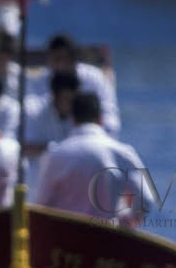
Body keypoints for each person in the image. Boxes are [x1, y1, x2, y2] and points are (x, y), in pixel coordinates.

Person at [31, 92, 155, 228]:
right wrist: (127, 221)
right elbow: (146, 200)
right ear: (100, 118)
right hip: (106, 235)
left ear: (73, 119)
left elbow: (41, 205)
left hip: (64, 237)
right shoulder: (121, 153)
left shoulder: (55, 154)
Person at [45, 35, 121, 135]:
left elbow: (111, 122)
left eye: (64, 58)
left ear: (73, 59)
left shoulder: (94, 79)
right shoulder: (40, 81)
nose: (61, 64)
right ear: (49, 60)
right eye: (56, 59)